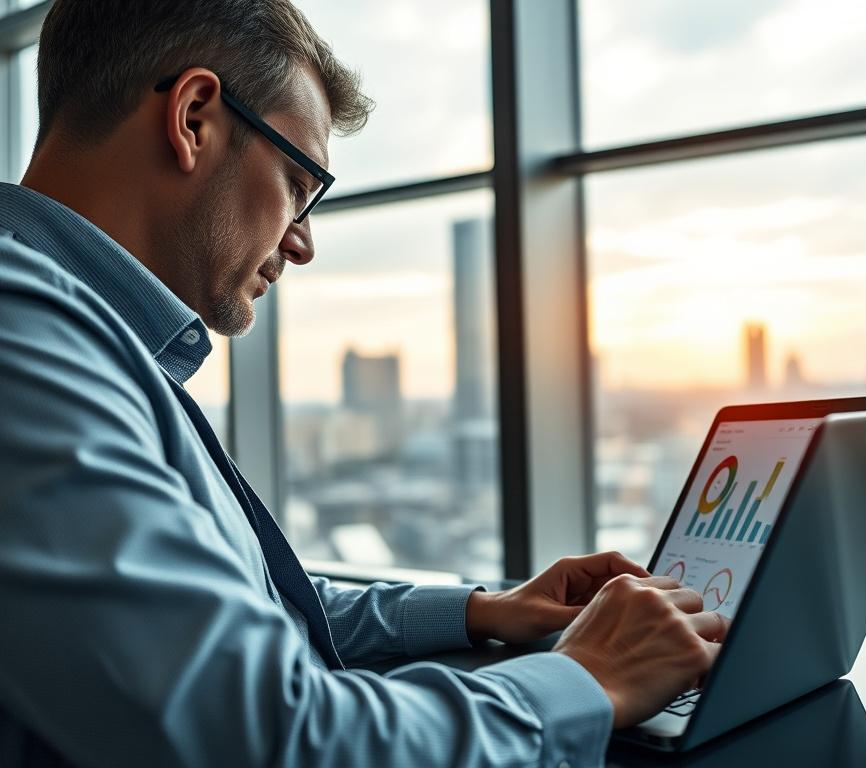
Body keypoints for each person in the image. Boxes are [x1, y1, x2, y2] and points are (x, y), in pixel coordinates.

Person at [0, 1, 728, 765]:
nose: (302, 243)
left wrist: (483, 612)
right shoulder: (24, 340)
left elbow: (235, 607)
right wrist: (586, 679)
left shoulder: (84, 337)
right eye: (298, 182)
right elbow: (274, 740)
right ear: (193, 119)